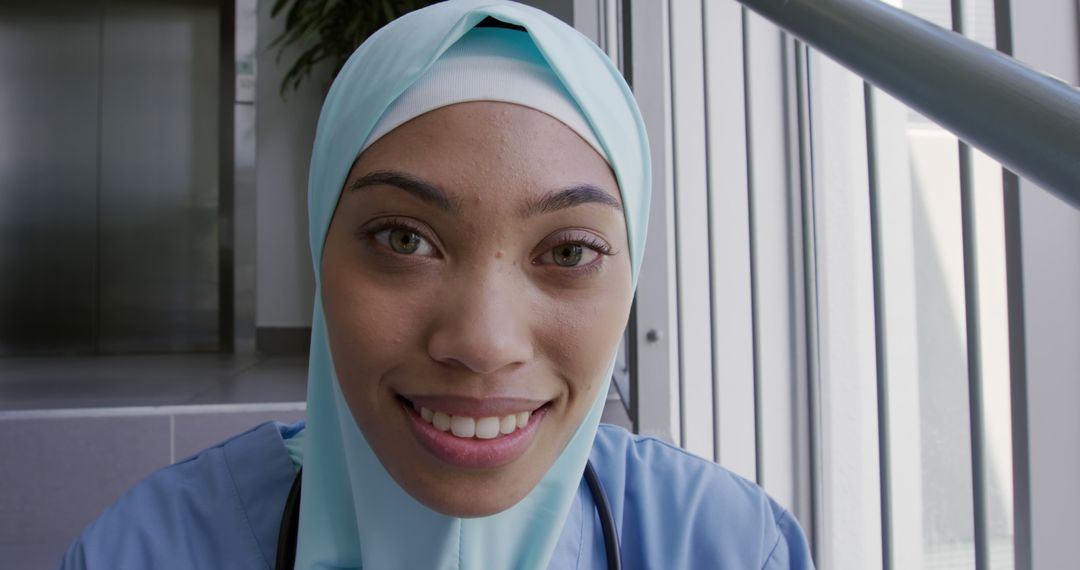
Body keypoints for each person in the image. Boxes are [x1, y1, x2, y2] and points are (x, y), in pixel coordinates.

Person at [60, 1, 814, 568]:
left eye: (570, 252)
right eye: (403, 239)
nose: (483, 343)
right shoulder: (150, 550)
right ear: (321, 252)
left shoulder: (724, 545)